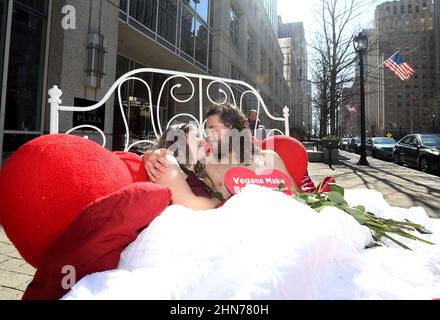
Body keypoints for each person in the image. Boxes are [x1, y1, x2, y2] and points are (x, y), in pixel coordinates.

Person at [143, 104, 299, 210]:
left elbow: (299, 197)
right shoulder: (207, 166)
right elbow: (178, 168)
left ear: (231, 128)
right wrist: (152, 154)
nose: (207, 137)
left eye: (212, 129)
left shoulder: (270, 158)